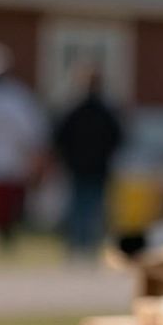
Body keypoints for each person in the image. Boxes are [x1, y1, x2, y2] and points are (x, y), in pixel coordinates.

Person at [0, 42, 47, 252]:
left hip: (9, 167)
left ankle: (5, 245)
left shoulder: (18, 98)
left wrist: (36, 164)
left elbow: (33, 136)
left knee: (6, 214)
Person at [53, 68, 124, 256]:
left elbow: (59, 137)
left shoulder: (74, 109)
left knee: (79, 206)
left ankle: (78, 244)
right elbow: (117, 137)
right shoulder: (105, 111)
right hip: (96, 166)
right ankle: (89, 245)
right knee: (93, 206)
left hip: (79, 166)